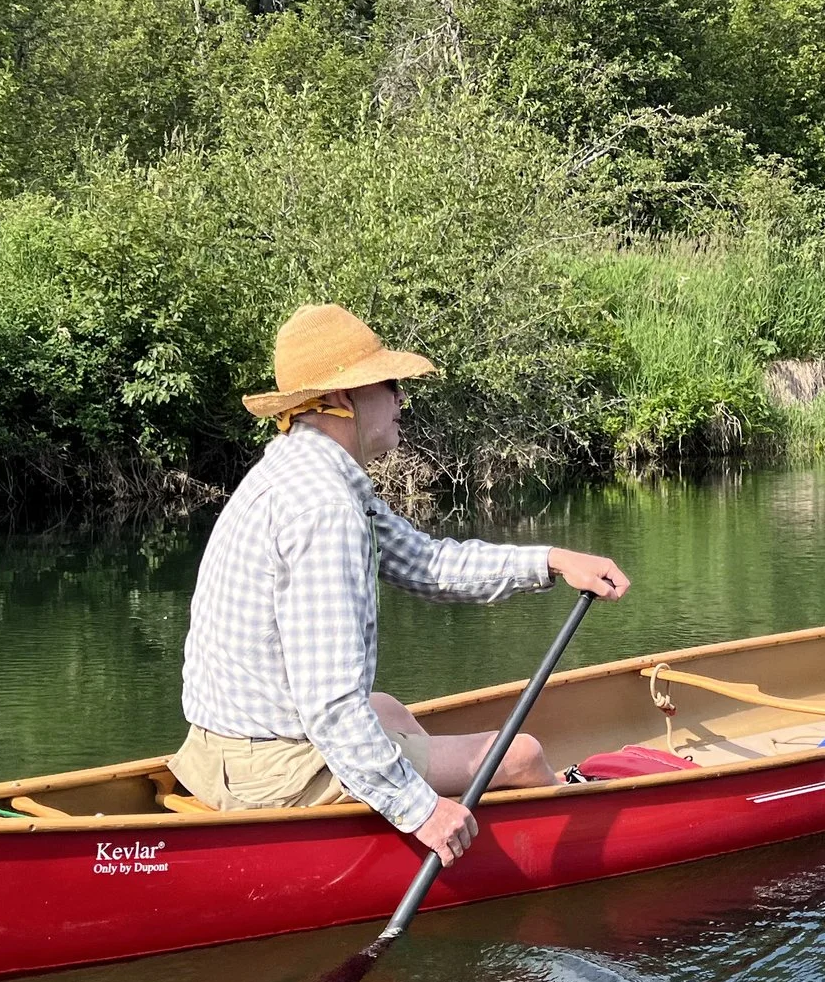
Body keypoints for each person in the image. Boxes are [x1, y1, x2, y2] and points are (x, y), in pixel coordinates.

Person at [171, 304, 631, 866]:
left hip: (216, 754)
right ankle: (566, 841)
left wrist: (555, 560)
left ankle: (467, 798)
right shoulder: (325, 509)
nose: (401, 401)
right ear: (343, 399)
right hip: (269, 775)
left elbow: (428, 562)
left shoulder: (298, 470)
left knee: (384, 706)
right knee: (519, 753)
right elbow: (332, 706)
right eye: (389, 385)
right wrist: (419, 810)